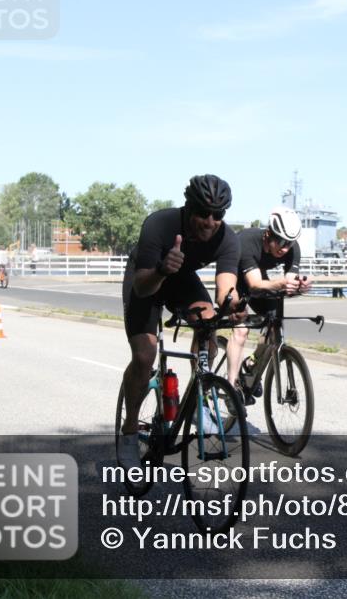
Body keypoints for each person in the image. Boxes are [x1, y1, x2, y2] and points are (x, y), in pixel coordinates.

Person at [118, 175, 242, 472]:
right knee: (145, 356)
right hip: (147, 277)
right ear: (188, 208)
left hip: (181, 280)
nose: (210, 222)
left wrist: (237, 304)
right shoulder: (160, 224)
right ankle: (130, 431)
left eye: (218, 215)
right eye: (203, 212)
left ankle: (200, 396)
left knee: (209, 320)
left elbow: (226, 291)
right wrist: (162, 268)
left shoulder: (227, 239)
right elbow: (143, 287)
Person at [225, 206, 312, 403]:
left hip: (259, 277)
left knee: (274, 328)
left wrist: (299, 285)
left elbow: (287, 282)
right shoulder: (247, 243)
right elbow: (254, 285)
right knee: (241, 330)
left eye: (289, 243)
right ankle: (231, 387)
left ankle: (251, 364)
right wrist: (280, 283)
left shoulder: (291, 248)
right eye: (281, 241)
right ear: (267, 235)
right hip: (237, 278)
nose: (285, 248)